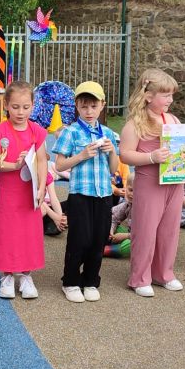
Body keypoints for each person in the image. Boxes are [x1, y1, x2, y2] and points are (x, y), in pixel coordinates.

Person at [118, 69, 185, 297]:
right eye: (165, 95)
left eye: (171, 95)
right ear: (148, 96)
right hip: (149, 182)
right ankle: (140, 277)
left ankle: (163, 273)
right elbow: (125, 154)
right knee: (145, 230)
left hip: (174, 182)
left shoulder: (172, 119)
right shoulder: (135, 124)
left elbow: (182, 148)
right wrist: (151, 157)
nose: (170, 100)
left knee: (169, 230)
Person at [52, 81, 120, 303]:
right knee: (79, 239)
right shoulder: (70, 132)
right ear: (77, 106)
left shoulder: (108, 133)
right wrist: (81, 156)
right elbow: (59, 165)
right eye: (84, 106)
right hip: (80, 194)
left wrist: (112, 152)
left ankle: (91, 280)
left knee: (99, 239)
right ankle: (71, 281)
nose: (89, 111)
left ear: (102, 105)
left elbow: (113, 169)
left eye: (93, 106)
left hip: (104, 195)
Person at [0, 81, 49, 299]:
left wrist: (41, 187)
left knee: (29, 234)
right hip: (10, 193)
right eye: (15, 107)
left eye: (25, 107)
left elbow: (42, 161)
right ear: (6, 105)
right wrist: (14, 165)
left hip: (29, 193)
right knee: (8, 233)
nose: (20, 112)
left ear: (33, 105)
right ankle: (7, 275)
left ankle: (26, 275)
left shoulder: (37, 132)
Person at [105, 173, 134, 258]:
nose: (132, 194)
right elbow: (114, 218)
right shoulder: (127, 204)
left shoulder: (145, 209)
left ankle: (105, 250)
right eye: (131, 190)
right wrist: (111, 230)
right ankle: (106, 241)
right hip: (129, 233)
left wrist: (125, 236)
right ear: (126, 188)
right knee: (106, 224)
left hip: (139, 239)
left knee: (131, 245)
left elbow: (145, 235)